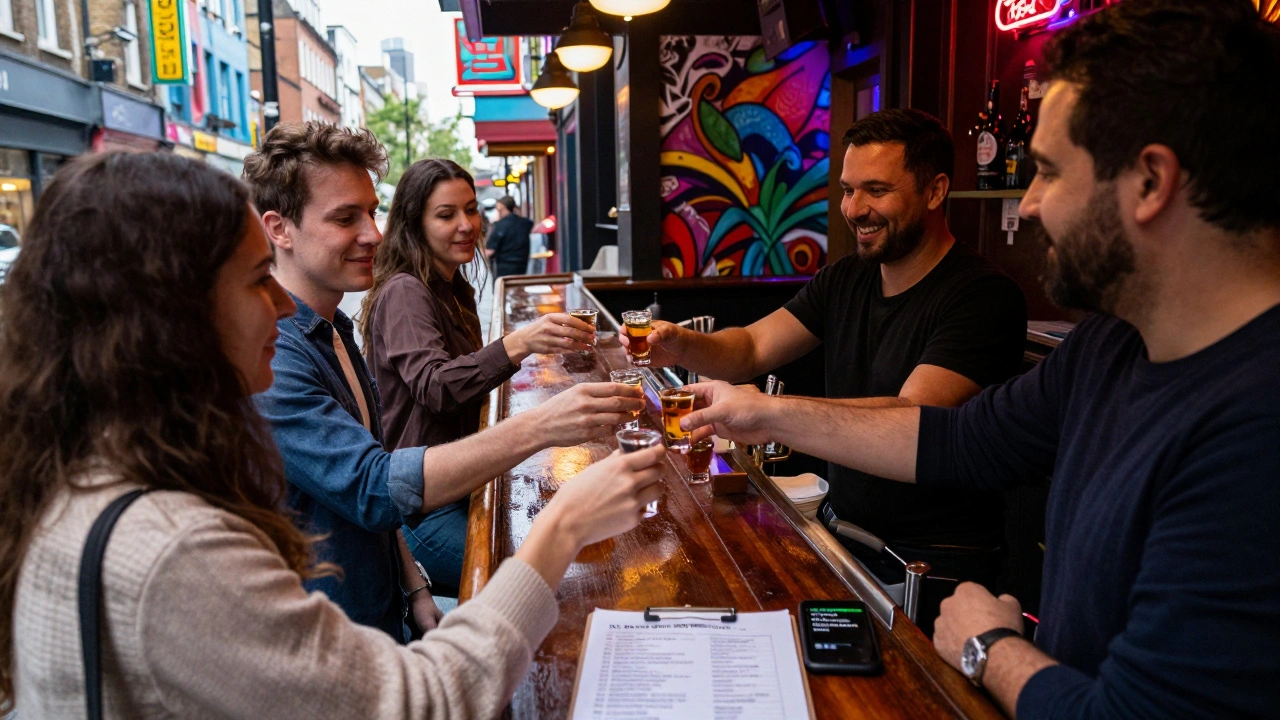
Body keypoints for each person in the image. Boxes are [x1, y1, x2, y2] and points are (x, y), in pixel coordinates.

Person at [682, 1, 1280, 716]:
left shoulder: (1256, 425)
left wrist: (987, 648)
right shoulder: (1111, 342)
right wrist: (761, 410)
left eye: (1051, 172)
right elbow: (955, 438)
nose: (1026, 206)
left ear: (1150, 183)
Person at [0, 151, 666, 718]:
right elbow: (423, 700)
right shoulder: (173, 549)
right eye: (259, 280)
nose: (284, 306)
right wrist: (561, 528)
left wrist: (412, 597)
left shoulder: (100, 473)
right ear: (169, 315)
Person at [244, 123, 643, 641]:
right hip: (335, 641)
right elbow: (373, 486)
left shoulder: (335, 329)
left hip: (385, 615)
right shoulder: (274, 355)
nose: (373, 234)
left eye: (371, 212)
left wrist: (413, 586)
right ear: (279, 229)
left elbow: (372, 479)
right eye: (346, 218)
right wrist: (543, 425)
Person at [624, 109, 1027, 600]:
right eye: (847, 190)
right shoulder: (846, 278)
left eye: (876, 191)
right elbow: (751, 348)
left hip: (930, 568)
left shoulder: (982, 296)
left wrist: (769, 414)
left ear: (935, 191)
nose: (854, 209)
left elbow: (917, 418)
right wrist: (680, 344)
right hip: (844, 537)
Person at [358, 158, 596, 592]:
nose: (467, 224)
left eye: (471, 209)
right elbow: (435, 388)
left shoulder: (448, 286)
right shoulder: (406, 291)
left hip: (463, 487)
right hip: (425, 516)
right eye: (446, 215)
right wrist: (520, 343)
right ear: (414, 224)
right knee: (545, 578)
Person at [486, 195, 533, 278]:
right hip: (522, 264)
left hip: (504, 267)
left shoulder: (500, 225)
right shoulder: (526, 223)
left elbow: (490, 251)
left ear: (502, 208)